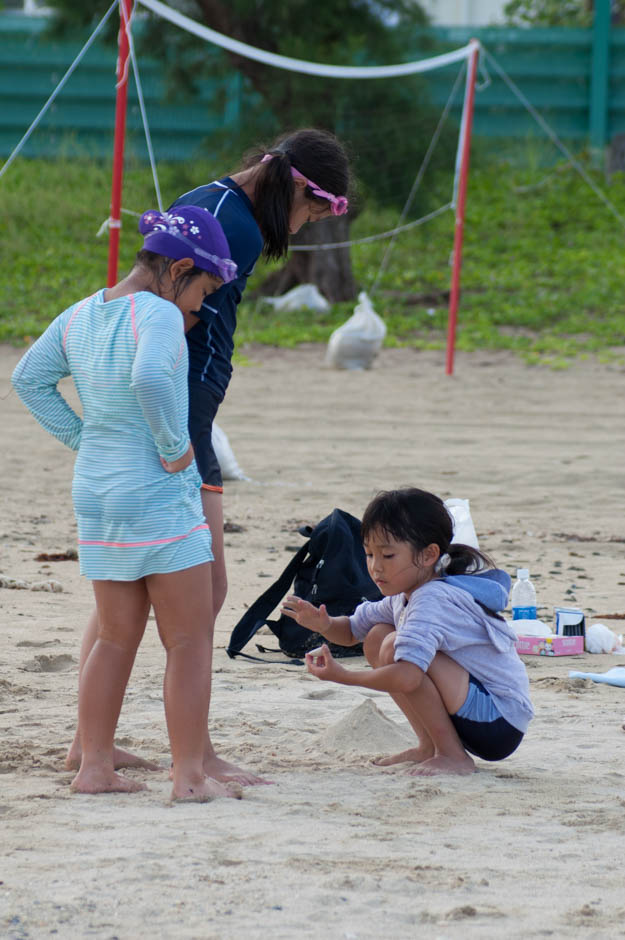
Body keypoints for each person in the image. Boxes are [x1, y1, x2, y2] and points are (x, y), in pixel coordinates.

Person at [66, 127, 352, 786]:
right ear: (297, 186)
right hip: (181, 426)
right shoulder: (239, 226)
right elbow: (166, 317)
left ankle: (91, 743)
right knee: (199, 594)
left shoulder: (221, 205)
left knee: (123, 608)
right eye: (313, 211)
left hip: (182, 418)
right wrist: (174, 437)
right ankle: (192, 759)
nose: (306, 227)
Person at [12, 207, 241, 802]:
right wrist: (174, 447)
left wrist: (84, 439)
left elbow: (28, 380)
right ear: (179, 270)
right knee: (188, 642)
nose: (200, 311)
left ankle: (94, 768)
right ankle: (189, 777)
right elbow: (150, 379)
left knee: (114, 638)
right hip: (156, 493)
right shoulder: (159, 313)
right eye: (203, 294)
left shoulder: (81, 314)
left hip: (98, 490)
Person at [281, 487, 534, 776]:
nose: (375, 568)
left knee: (392, 646)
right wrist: (324, 624)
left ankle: (453, 755)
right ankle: (430, 745)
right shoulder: (405, 594)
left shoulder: (432, 598)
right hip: (477, 710)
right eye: (369, 554)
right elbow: (352, 631)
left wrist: (344, 676)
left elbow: (409, 676)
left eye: (388, 556)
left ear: (428, 555)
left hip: (498, 721)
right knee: (377, 636)